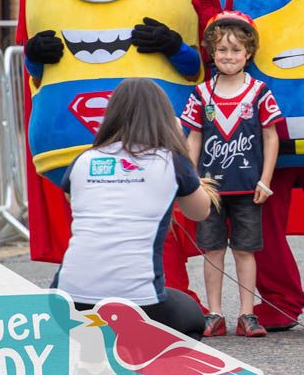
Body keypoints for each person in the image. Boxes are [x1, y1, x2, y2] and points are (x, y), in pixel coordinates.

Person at [56, 78, 217, 340]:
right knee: (190, 315)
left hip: (66, 300)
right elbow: (200, 211)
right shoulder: (171, 160)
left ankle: (93, 355)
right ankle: (149, 367)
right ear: (163, 116)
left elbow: (73, 201)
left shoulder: (84, 159)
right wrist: (181, 145)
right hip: (138, 304)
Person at [181, 10, 281, 338]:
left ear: (248, 53)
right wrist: (190, 179)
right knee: (212, 250)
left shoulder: (259, 92)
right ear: (212, 52)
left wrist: (266, 179)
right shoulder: (201, 94)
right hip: (209, 188)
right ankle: (214, 312)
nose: (229, 56)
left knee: (244, 249)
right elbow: (193, 136)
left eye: (236, 50)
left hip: (248, 186)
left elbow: (271, 136)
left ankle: (247, 314)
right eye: (222, 50)